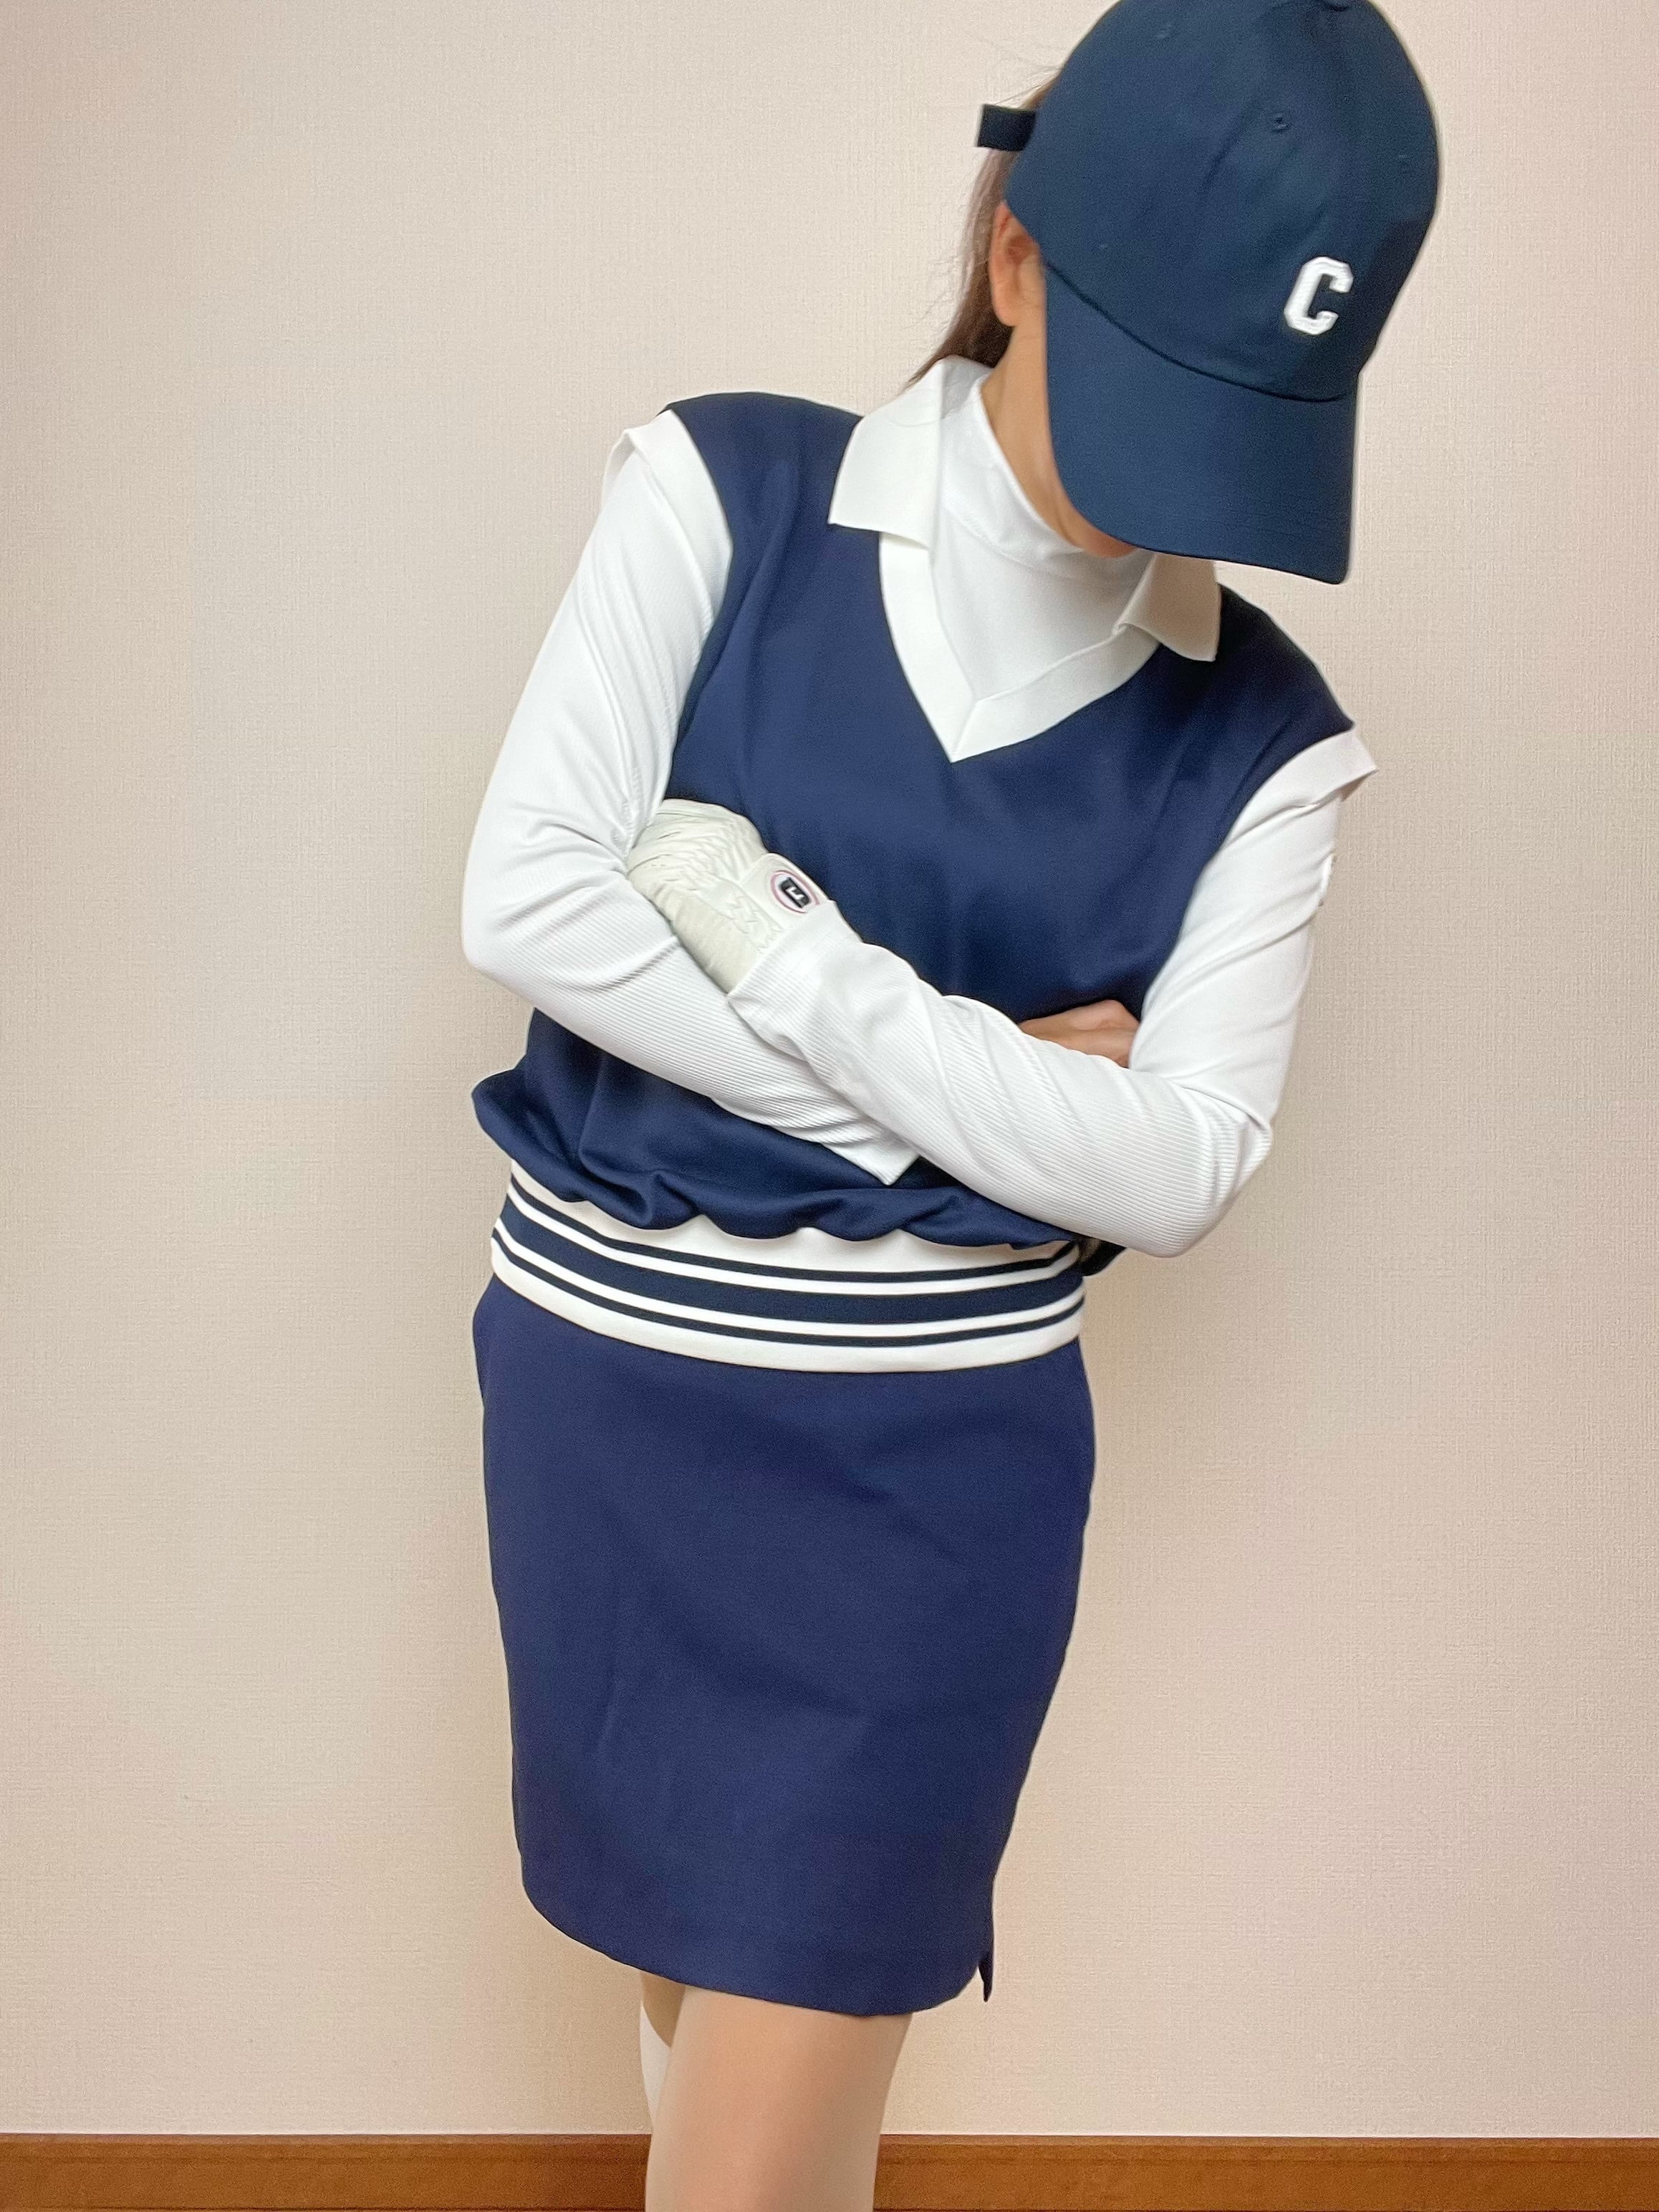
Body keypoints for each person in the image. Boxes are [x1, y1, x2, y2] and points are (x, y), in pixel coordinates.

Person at [461, 1, 1440, 2203]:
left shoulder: (1268, 742)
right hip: (609, 1405)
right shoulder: (715, 491)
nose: (1184, 488)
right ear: (1014, 257)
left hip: (929, 1485)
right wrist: (989, 1094)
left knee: (762, 2128)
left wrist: (778, 945)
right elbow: (529, 903)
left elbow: (1173, 1168)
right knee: (696, 2030)